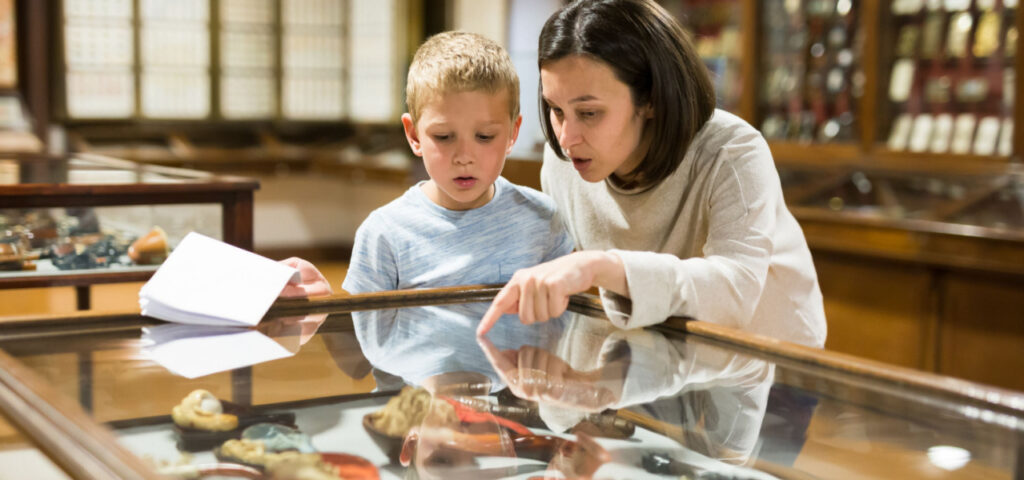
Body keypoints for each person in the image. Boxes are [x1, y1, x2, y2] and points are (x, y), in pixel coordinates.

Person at [477, 0, 826, 349]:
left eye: (589, 112)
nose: (566, 138)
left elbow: (734, 292)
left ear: (651, 100)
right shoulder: (563, 162)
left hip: (774, 364)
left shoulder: (733, 153)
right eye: (556, 109)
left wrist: (602, 266)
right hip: (663, 357)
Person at [340, 31, 574, 296]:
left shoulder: (542, 219)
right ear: (414, 134)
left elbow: (562, 323)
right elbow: (362, 332)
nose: (464, 156)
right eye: (444, 137)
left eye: (484, 136)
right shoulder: (384, 233)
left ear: (512, 133)